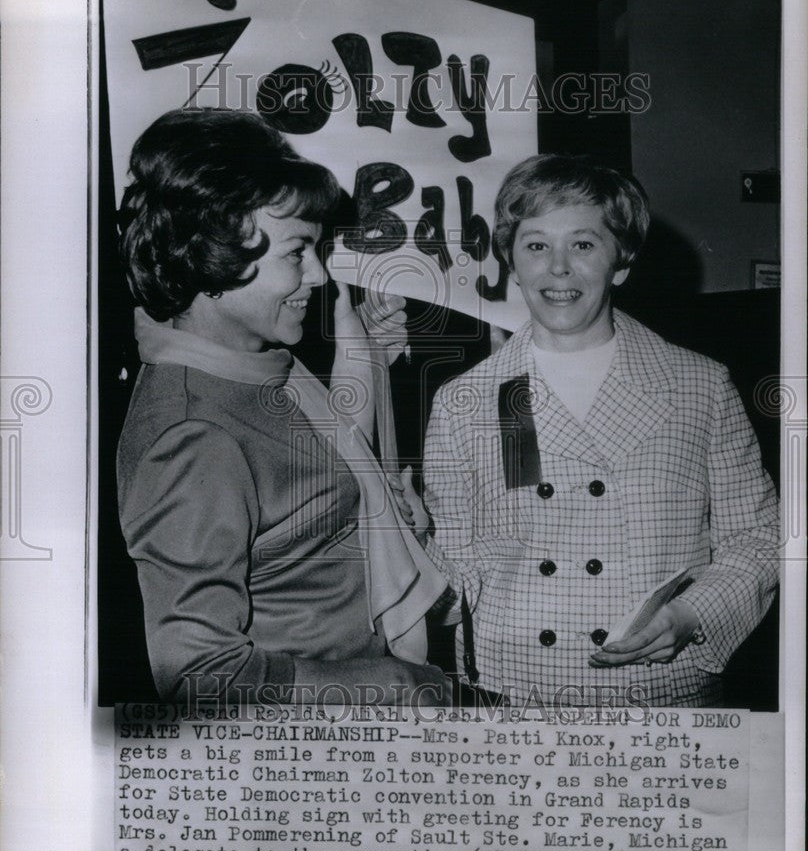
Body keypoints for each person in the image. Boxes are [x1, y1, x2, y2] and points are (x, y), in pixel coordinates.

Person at [116, 108, 449, 705]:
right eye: (298, 253)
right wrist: (392, 686)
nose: (319, 276)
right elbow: (201, 678)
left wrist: (367, 352)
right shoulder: (193, 436)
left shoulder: (253, 367)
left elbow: (308, 461)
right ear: (214, 252)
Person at [421, 154, 779, 708]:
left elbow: (757, 538)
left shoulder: (700, 387)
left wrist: (693, 613)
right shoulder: (465, 402)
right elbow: (456, 587)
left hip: (663, 691)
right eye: (536, 245)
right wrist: (413, 541)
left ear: (622, 261)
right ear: (511, 262)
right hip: (519, 692)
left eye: (583, 244)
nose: (557, 268)